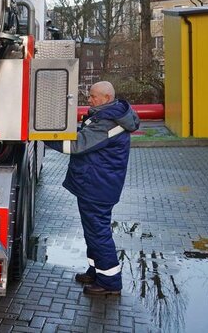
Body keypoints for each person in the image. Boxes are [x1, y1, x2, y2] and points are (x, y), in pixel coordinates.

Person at [45, 81, 139, 296]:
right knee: (93, 231)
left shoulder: (107, 123)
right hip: (97, 185)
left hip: (97, 187)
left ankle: (110, 282)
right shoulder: (107, 117)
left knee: (98, 232)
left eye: (93, 96)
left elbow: (75, 145)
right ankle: (96, 271)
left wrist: (42, 135)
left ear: (107, 98)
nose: (89, 99)